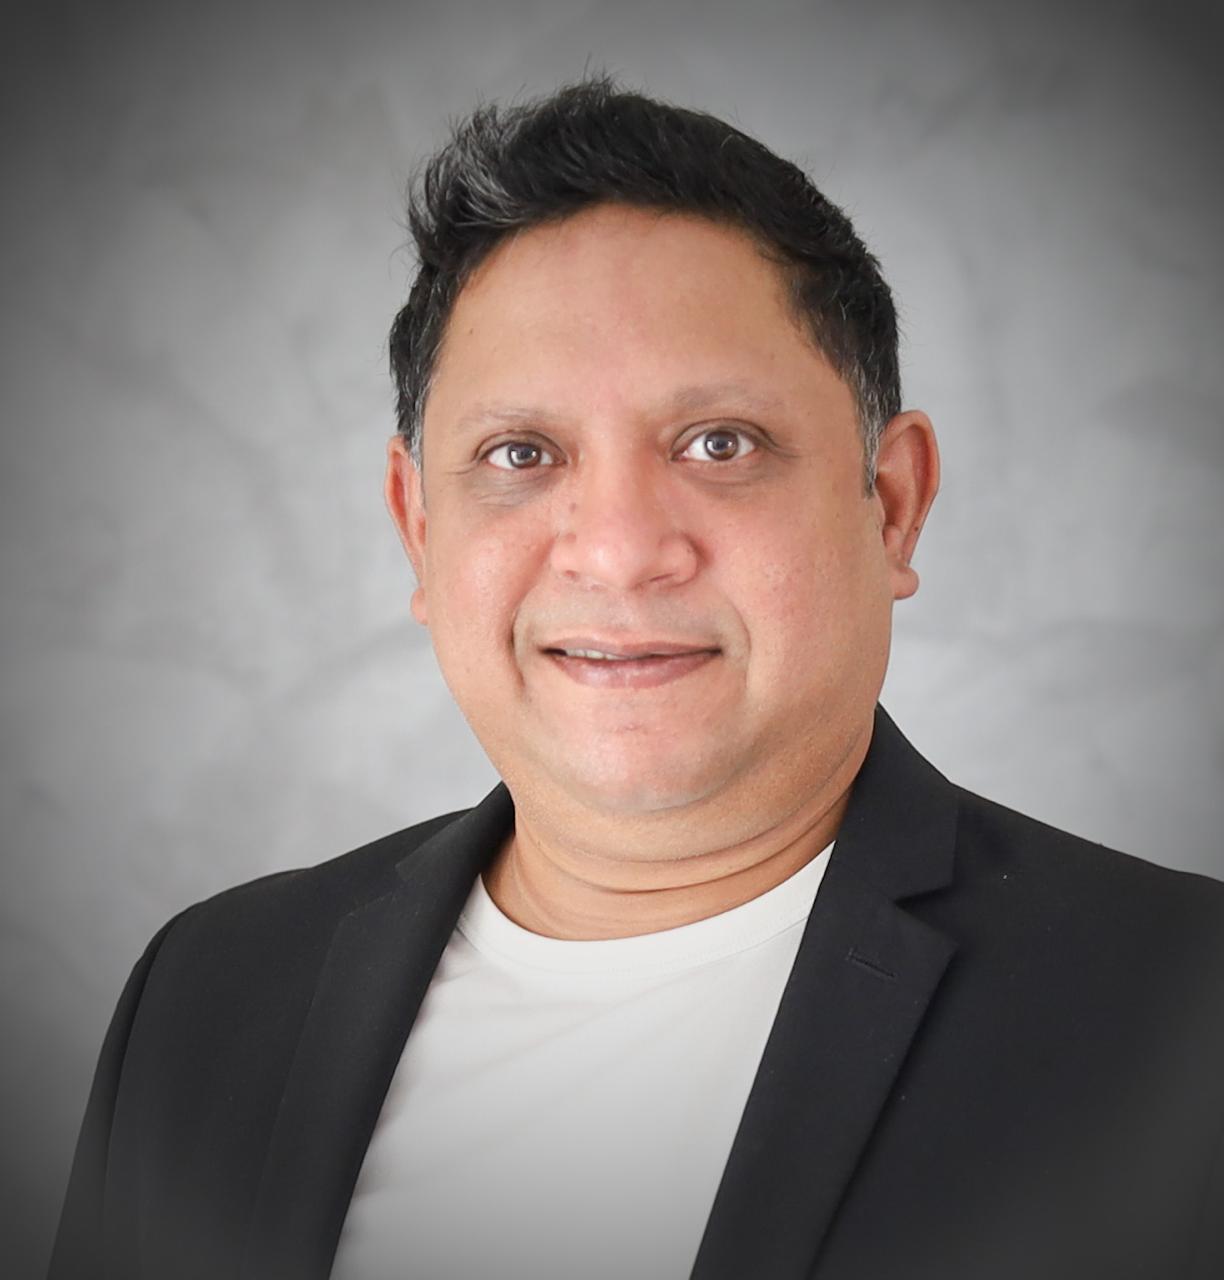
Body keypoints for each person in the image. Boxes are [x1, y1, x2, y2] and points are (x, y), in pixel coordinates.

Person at [49, 78, 1224, 1280]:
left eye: (720, 443)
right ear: (418, 527)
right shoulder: (206, 998)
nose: (616, 550)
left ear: (891, 504)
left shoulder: (1180, 1017)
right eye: (520, 452)